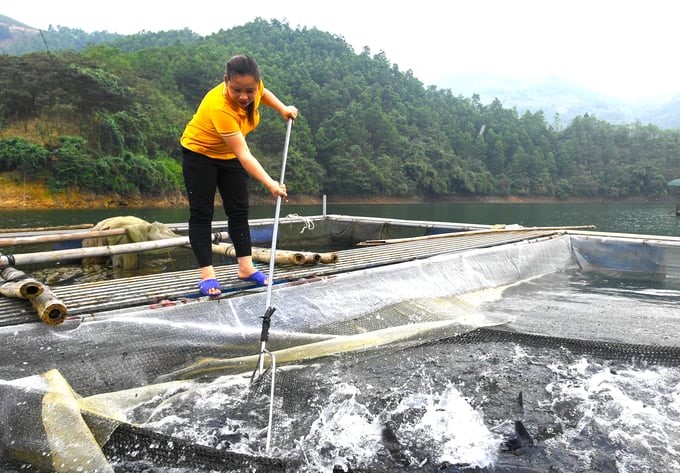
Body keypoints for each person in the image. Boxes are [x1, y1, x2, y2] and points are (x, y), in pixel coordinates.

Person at [180, 54, 298, 296]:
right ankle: (207, 275)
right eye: (236, 90)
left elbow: (264, 94)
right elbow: (245, 155)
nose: (244, 96)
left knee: (239, 210)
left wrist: (282, 109)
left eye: (249, 90)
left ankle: (246, 267)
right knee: (202, 212)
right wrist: (271, 184)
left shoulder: (255, 88)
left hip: (228, 155)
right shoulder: (219, 107)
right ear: (226, 81)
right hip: (200, 154)